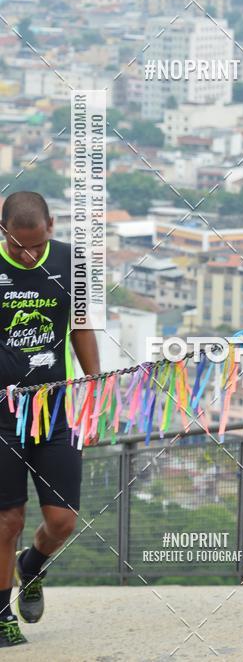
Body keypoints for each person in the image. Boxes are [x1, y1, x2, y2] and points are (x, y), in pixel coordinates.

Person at [0, 192, 101, 646]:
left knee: (61, 521)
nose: (28, 255)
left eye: (36, 246)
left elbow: (80, 326)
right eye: (18, 247)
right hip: (1, 411)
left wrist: (94, 389)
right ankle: (2, 614)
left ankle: (31, 567)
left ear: (52, 226)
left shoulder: (71, 263)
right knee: (8, 519)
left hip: (56, 405)